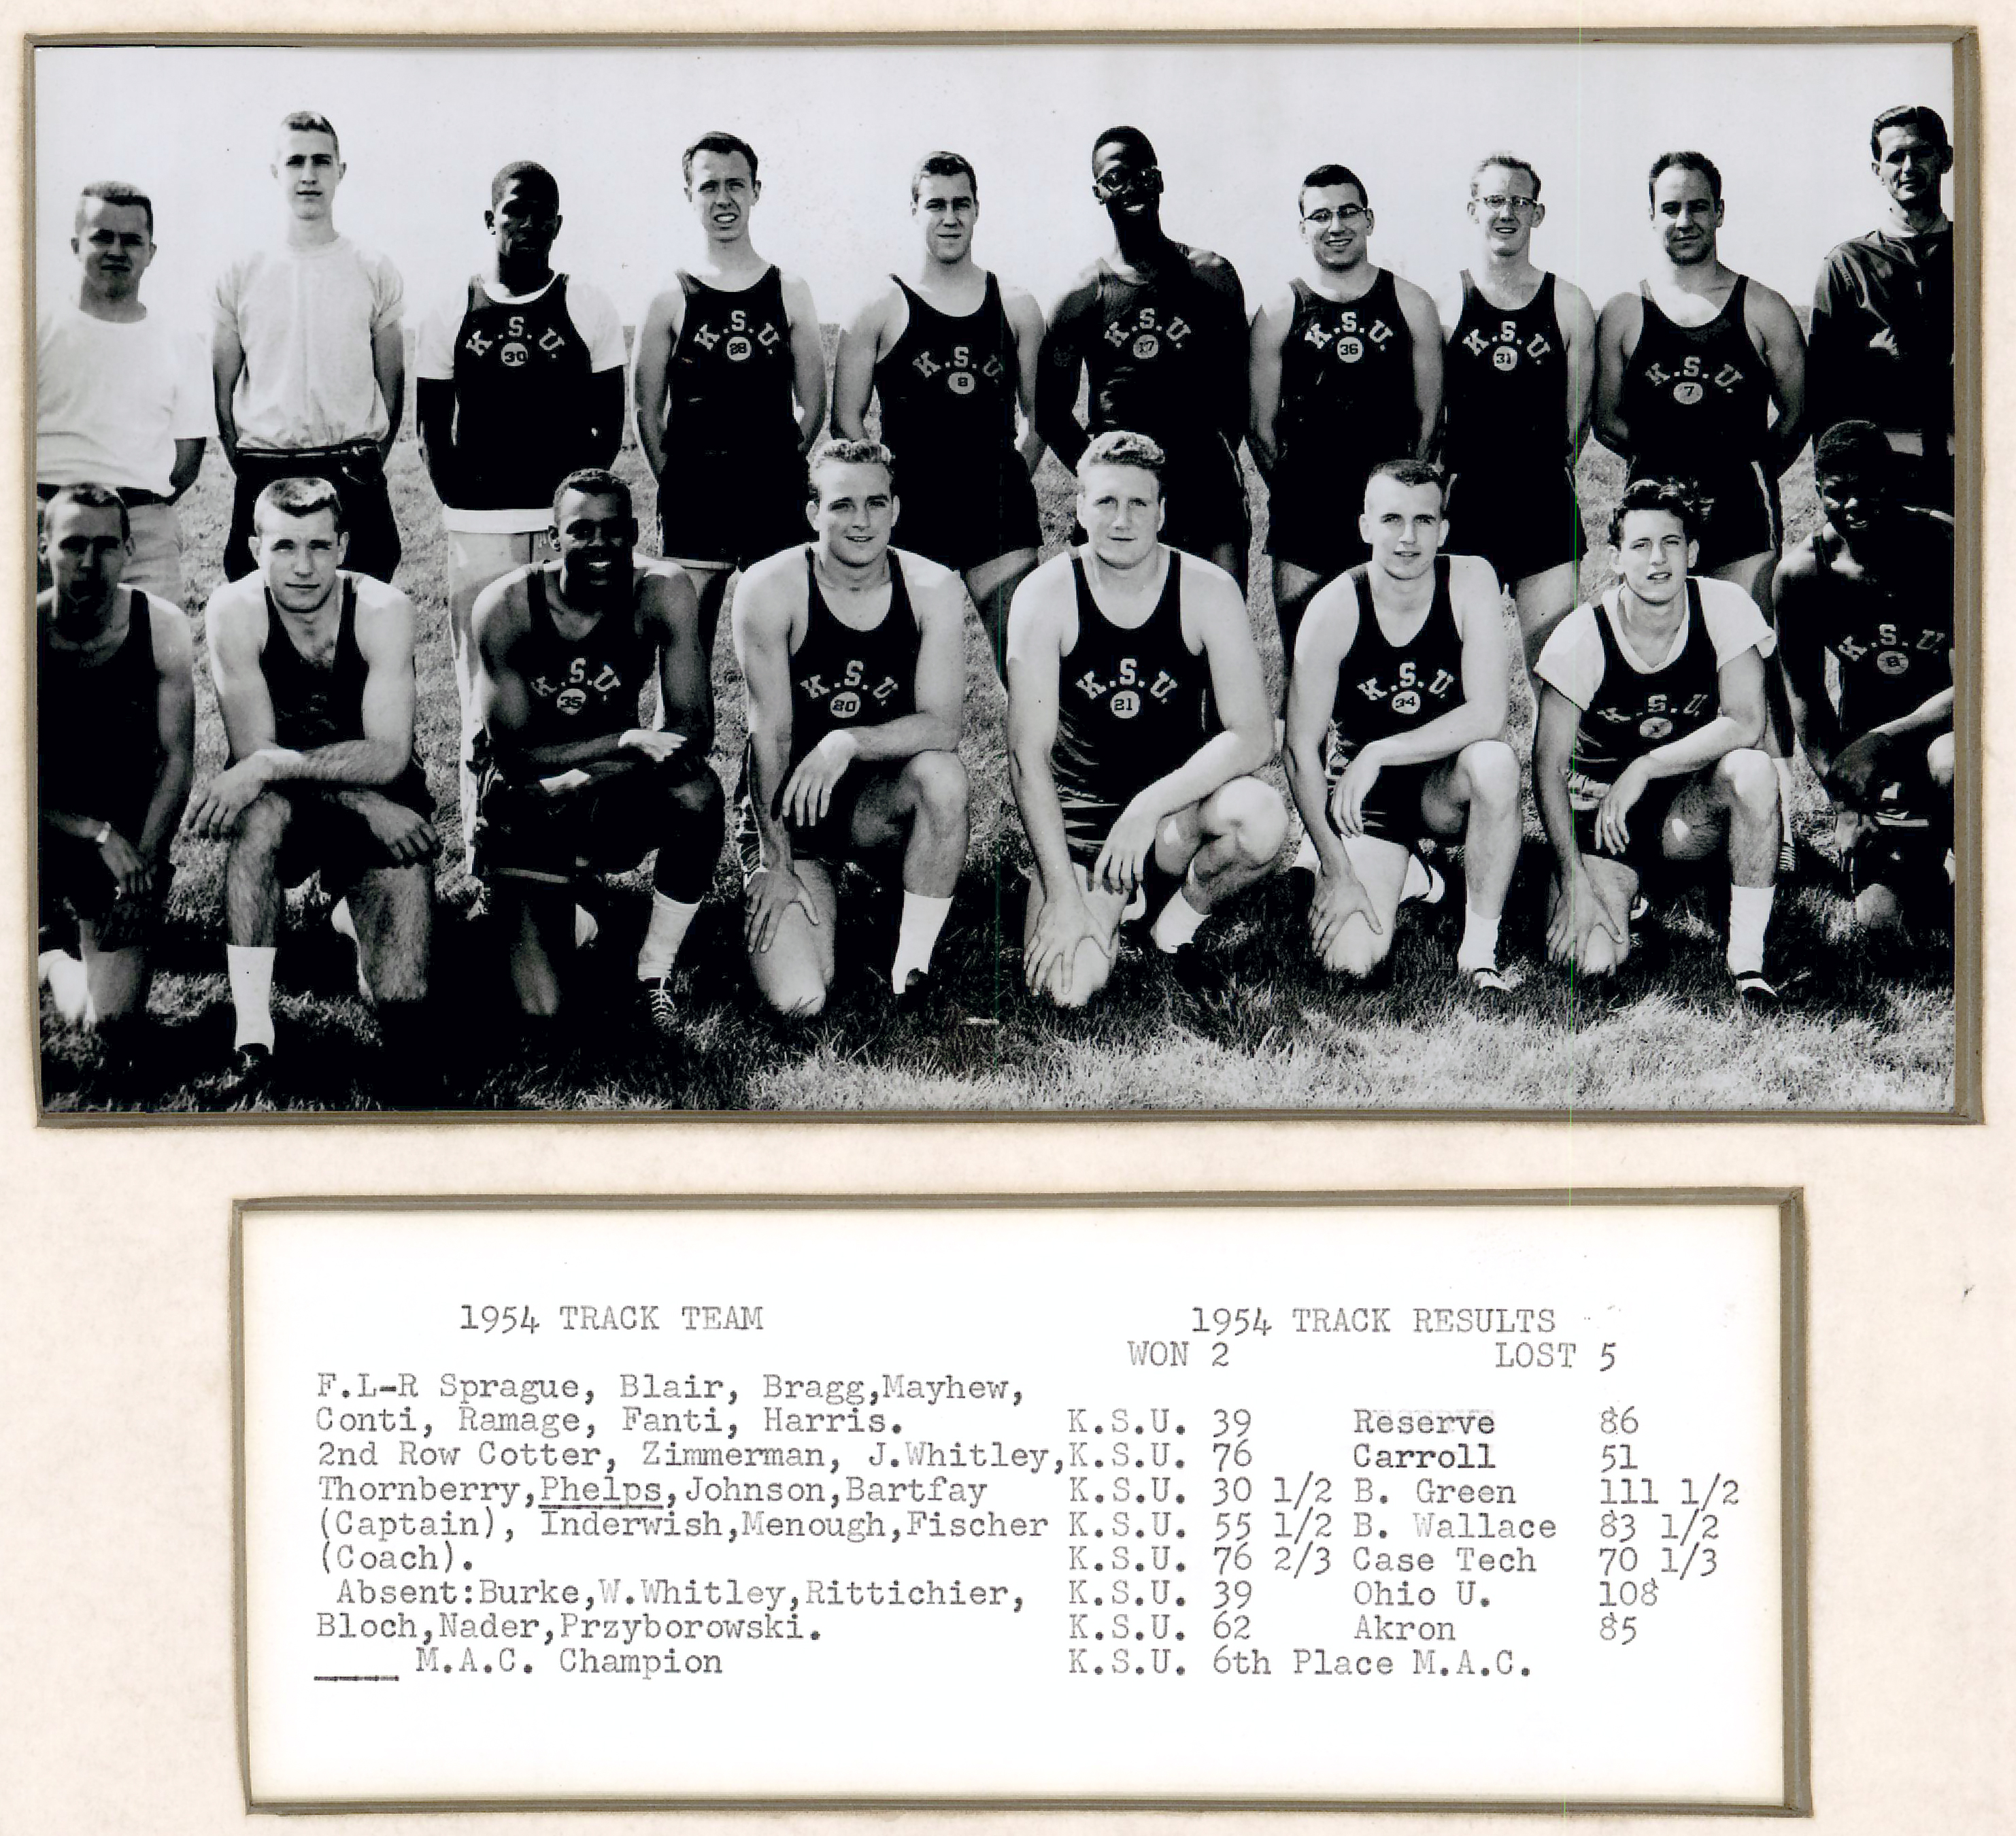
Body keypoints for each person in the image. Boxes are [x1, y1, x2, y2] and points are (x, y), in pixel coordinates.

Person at [1007, 431, 1285, 1008]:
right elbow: (1026, 756)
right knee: (1066, 991)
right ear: (1079, 507)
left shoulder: (1208, 589)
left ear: (1161, 512)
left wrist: (1146, 807)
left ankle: (1175, 922)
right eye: (1106, 501)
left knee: (1261, 818)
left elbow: (1253, 734)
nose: (1122, 519)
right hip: (1083, 825)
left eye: (1138, 503)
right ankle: (1096, 897)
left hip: (1173, 819)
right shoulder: (1045, 595)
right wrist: (1062, 894)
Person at [185, 477, 437, 1087]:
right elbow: (254, 752)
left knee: (401, 999)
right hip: (292, 801)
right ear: (255, 549)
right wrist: (356, 799)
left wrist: (281, 768)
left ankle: (349, 911)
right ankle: (253, 1031)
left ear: (343, 546)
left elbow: (388, 757)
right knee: (259, 819)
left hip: (379, 793)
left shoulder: (383, 610)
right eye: (284, 546)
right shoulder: (234, 610)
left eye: (320, 546)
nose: (303, 566)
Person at [415, 161, 628, 867]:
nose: (528, 224)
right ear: (491, 219)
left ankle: (570, 855)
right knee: (484, 697)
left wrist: (568, 511)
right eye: (514, 210)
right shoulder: (451, 307)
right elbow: (430, 426)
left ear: (558, 224)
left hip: (563, 531)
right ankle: (486, 859)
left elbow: (608, 425)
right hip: (480, 528)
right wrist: (465, 500)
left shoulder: (587, 304)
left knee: (565, 691)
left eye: (542, 213)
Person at [470, 470, 724, 1030]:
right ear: (553, 537)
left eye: (613, 530)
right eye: (581, 530)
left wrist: (591, 775)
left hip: (607, 786)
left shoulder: (662, 589)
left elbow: (693, 729)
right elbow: (514, 755)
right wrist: (622, 739)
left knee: (696, 792)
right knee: (542, 1009)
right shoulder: (506, 605)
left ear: (634, 532)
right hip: (531, 798)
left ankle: (654, 968)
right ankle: (554, 899)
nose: (599, 544)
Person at [731, 438, 970, 1016]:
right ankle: (806, 881)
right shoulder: (771, 586)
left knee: (943, 777)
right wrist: (775, 860)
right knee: (800, 997)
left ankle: (911, 967)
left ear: (896, 509)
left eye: (875, 503)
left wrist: (847, 741)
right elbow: (769, 737)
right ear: (813, 512)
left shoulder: (933, 587)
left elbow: (943, 727)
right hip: (793, 807)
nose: (861, 521)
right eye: (842, 505)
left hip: (878, 800)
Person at [1532, 478, 1781, 1004]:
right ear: (1616, 559)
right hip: (1605, 814)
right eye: (1641, 545)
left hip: (1685, 805)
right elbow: (1547, 766)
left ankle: (1747, 960)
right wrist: (1573, 879)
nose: (1658, 559)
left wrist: (1644, 765)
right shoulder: (1582, 636)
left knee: (1754, 771)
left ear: (1692, 551)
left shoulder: (1725, 605)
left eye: (1671, 542)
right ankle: (1629, 894)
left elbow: (1745, 722)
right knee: (1590, 961)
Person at [1282, 461, 1519, 993]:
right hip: (1365, 797)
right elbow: (1299, 750)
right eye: (1392, 519)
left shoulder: (1471, 579)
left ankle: (1479, 953)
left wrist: (1380, 750)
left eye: (1423, 520)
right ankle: (1410, 873)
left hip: (1443, 781)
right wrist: (1337, 868)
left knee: (1496, 763)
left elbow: (1488, 715)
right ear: (1365, 525)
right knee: (1351, 963)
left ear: (1444, 529)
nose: (1408, 537)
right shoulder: (1334, 607)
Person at [832, 150, 1047, 676]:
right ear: (914, 210)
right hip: (912, 512)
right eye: (935, 205)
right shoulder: (879, 306)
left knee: (1026, 665)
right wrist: (885, 493)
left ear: (977, 210)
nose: (950, 217)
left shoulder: (1016, 304)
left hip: (997, 512)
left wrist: (1008, 476)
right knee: (899, 674)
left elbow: (1038, 416)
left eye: (961, 204)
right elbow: (846, 420)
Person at [633, 131, 828, 660]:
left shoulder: (789, 289)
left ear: (756, 190)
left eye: (736, 185)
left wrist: (780, 463)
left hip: (774, 492)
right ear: (689, 195)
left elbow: (814, 403)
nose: (723, 199)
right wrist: (677, 479)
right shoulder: (668, 295)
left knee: (788, 645)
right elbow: (646, 411)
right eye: (709, 186)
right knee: (685, 650)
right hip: (696, 494)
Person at [1037, 127, 1251, 587]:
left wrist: (1212, 455)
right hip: (1123, 487)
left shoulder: (1212, 276)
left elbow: (1239, 388)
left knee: (1218, 612)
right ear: (1098, 192)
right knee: (1116, 621)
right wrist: (1101, 472)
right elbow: (1051, 411)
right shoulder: (1082, 296)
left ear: (1160, 181)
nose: (1132, 186)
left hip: (1206, 483)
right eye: (1116, 178)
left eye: (1143, 174)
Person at [1595, 151, 1807, 605]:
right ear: (1652, 216)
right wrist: (1664, 457)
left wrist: (1748, 467)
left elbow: (1798, 413)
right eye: (1671, 208)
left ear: (1719, 212)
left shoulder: (1764, 307)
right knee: (1658, 641)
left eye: (1698, 207)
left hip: (1742, 513)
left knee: (1747, 637)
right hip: (1655, 514)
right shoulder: (1624, 312)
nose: (1684, 221)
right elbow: (1606, 420)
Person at [1250, 163, 1443, 657]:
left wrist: (1398, 500)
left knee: (1386, 659)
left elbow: (1429, 421)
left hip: (1388, 518)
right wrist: (1296, 492)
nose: (1336, 226)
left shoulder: (1412, 303)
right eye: (1321, 216)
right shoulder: (1279, 309)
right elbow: (1260, 427)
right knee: (1304, 659)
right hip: (1306, 518)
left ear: (1369, 220)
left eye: (1348, 212)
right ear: (1303, 229)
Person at [1773, 421, 1953, 930]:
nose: (1853, 504)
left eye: (1869, 487)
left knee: (1949, 764)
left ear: (1894, 480)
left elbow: (1984, 682)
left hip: (1951, 735)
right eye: (1837, 492)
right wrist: (1845, 799)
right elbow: (1805, 697)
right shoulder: (1801, 575)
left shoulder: (1948, 544)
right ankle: (1919, 862)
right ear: (1818, 491)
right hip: (1872, 762)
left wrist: (1882, 739)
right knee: (1878, 921)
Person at [213, 112, 405, 584]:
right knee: (262, 609)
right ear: (274, 171)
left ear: (341, 171)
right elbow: (222, 392)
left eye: (321, 161)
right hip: (267, 467)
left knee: (362, 609)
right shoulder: (241, 271)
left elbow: (392, 386)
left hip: (352, 468)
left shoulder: (372, 267)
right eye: (295, 161)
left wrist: (367, 460)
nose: (308, 175)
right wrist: (250, 463)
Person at [37, 484, 196, 1035]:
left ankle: (53, 961)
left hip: (122, 832)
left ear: (129, 550)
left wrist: (143, 869)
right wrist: (92, 831)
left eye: (106, 545)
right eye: (72, 544)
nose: (88, 562)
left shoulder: (162, 626)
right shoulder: (17, 631)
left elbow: (177, 760)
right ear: (44, 548)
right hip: (36, 822)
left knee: (110, 1019)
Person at [1432, 153, 1598, 673]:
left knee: (1554, 665)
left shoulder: (1568, 303)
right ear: (1473, 209)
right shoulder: (1443, 303)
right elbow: (1428, 417)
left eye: (1520, 202)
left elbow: (1577, 420)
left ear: (1537, 213)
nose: (1507, 213)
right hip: (1464, 501)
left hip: (1542, 501)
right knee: (1454, 667)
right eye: (1495, 200)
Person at [37, 181, 212, 604]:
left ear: (151, 252)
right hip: (42, 525)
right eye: (102, 238)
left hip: (142, 532)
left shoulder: (180, 342)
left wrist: (136, 510)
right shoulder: (33, 328)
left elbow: (186, 461)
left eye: (132, 241)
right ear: (76, 245)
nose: (117, 251)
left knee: (153, 641)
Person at [1808, 105, 1955, 512]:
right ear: (1878, 170)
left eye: (1921, 153)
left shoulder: (1983, 252)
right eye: (1895, 157)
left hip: (1974, 469)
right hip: (1883, 482)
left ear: (1945, 159)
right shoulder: (1847, 264)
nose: (1908, 167)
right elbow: (1823, 392)